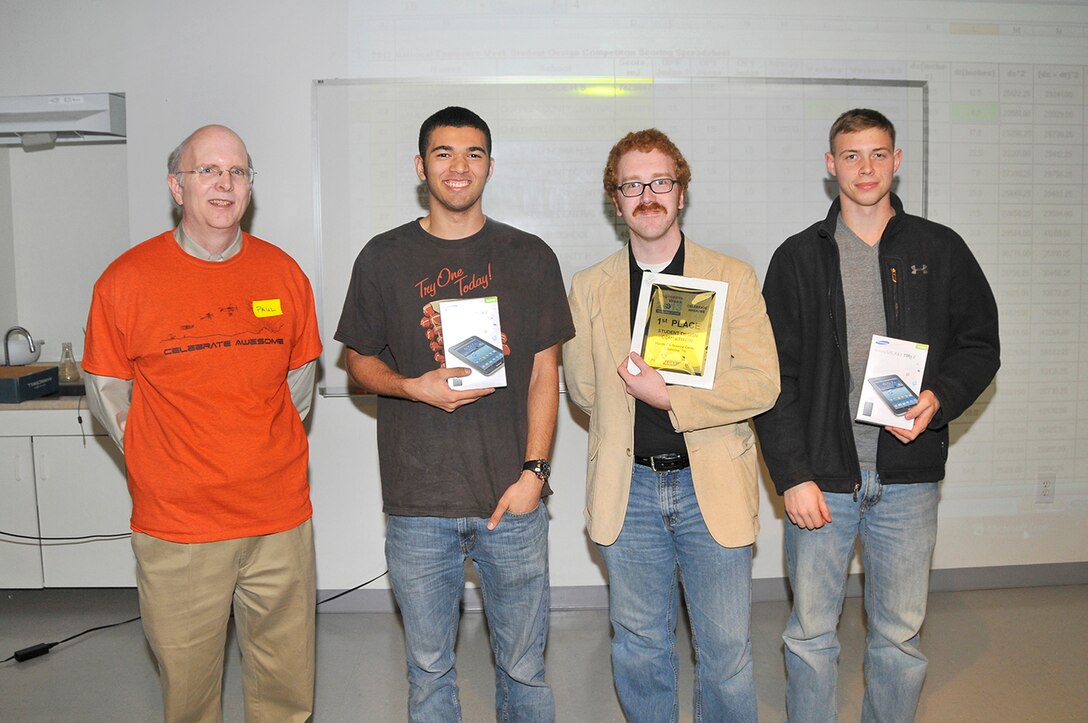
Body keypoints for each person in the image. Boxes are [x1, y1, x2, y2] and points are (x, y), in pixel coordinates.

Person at [754, 108, 1000, 722]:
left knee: (899, 637)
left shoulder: (940, 249)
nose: (866, 168)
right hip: (823, 481)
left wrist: (939, 399)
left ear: (895, 160)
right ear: (830, 165)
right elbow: (773, 379)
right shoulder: (796, 259)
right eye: (852, 155)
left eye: (879, 154)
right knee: (810, 634)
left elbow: (979, 344)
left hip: (908, 478)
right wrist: (792, 477)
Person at [335, 106, 573, 722]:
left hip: (511, 502)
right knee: (430, 673)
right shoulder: (382, 257)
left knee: (524, 671)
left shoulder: (530, 256)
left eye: (472, 153)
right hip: (418, 505)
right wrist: (413, 387)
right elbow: (357, 362)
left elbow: (547, 372)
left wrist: (534, 476)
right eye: (443, 153)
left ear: (490, 165)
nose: (458, 166)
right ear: (421, 167)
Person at [82, 125, 322, 722]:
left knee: (287, 690)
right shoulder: (125, 281)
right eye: (207, 171)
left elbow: (298, 388)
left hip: (279, 520)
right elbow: (112, 397)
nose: (224, 183)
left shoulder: (285, 275)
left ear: (249, 188)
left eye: (237, 172)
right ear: (176, 186)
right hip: (179, 528)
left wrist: (252, 449)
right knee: (189, 694)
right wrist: (169, 463)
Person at [563, 128, 780, 722]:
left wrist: (670, 397)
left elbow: (762, 382)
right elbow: (583, 389)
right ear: (617, 199)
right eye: (633, 184)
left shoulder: (732, 277)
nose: (647, 195)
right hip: (627, 490)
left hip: (708, 483)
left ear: (681, 193)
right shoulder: (588, 287)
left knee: (727, 655)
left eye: (660, 181)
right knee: (638, 647)